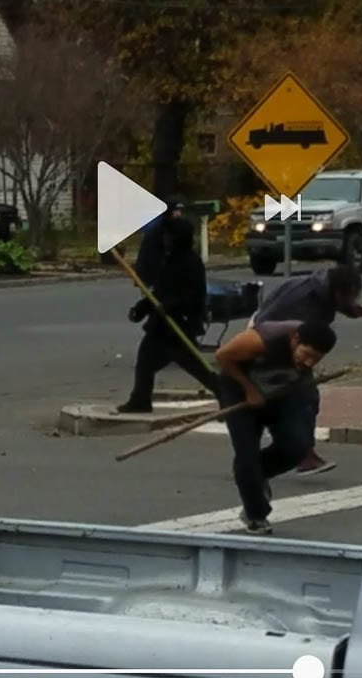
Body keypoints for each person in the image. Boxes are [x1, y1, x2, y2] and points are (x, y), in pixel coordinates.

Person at [215, 319, 337, 534]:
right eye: (306, 354)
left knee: (298, 445)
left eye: (315, 359)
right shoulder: (261, 340)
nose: (309, 362)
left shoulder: (304, 364)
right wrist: (249, 390)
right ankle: (256, 514)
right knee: (246, 454)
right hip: (240, 390)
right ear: (295, 340)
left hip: (282, 391)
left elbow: (307, 401)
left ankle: (256, 474)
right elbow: (222, 357)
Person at [251, 267, 362, 475]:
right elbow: (265, 324)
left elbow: (333, 308)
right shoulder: (303, 297)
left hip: (298, 351)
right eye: (351, 296)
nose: (352, 300)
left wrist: (352, 310)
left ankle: (300, 452)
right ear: (338, 291)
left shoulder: (323, 291)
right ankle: (301, 455)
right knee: (301, 398)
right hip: (272, 349)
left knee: (301, 399)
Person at [117, 215, 217, 413]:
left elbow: (193, 296)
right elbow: (158, 293)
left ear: (179, 237)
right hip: (162, 326)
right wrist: (142, 308)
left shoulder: (191, 262)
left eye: (169, 235)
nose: (165, 239)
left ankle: (226, 394)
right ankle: (140, 399)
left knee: (196, 367)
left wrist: (170, 307)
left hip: (180, 324)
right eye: (165, 235)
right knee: (145, 359)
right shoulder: (169, 260)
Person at [133, 200, 185, 288]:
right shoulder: (162, 227)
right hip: (153, 268)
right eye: (176, 211)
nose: (178, 214)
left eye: (179, 211)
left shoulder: (164, 225)